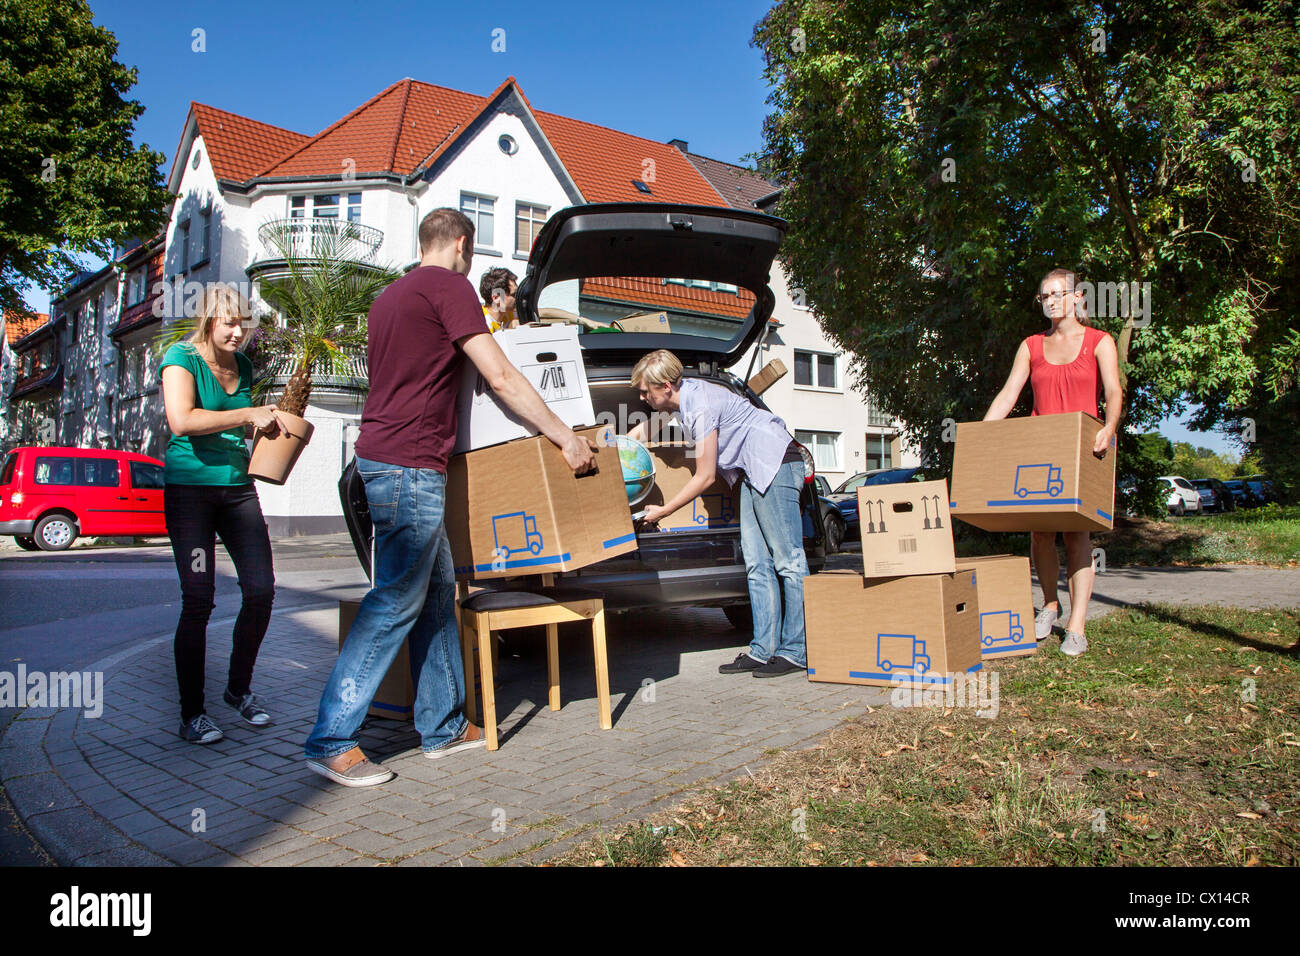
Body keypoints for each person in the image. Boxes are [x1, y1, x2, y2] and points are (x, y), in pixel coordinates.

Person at [304, 208, 597, 787]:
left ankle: (440, 726)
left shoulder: (388, 298)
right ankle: (331, 739)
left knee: (437, 593)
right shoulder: (451, 287)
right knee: (394, 599)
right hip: (410, 465)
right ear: (462, 244)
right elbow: (502, 377)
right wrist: (565, 437)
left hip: (382, 456)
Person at [628, 349, 808, 677]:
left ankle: (796, 650)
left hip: (777, 463)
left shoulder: (700, 406)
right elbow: (645, 432)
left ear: (665, 386)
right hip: (752, 471)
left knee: (789, 561)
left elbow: (706, 475)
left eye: (645, 391)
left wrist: (663, 511)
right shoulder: (681, 400)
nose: (642, 397)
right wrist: (612, 447)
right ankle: (763, 649)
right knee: (757, 564)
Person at [159, 284, 284, 744]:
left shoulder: (244, 365)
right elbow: (183, 419)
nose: (238, 333)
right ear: (209, 321)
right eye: (229, 323)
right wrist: (248, 414)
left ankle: (238, 689)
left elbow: (242, 429)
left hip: (238, 492)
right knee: (199, 601)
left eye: (244, 325)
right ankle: (192, 714)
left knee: (262, 590)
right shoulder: (181, 358)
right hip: (191, 493)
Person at [983, 268, 1123, 656]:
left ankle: (1077, 626)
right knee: (1041, 534)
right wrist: (983, 435)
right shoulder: (1031, 345)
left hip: (1082, 447)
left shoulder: (1100, 341)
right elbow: (1009, 394)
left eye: (1058, 294)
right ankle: (1049, 605)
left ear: (1078, 297)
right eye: (1044, 296)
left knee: (1077, 536)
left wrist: (1109, 428)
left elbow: (1113, 391)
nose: (1051, 302)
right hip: (1039, 450)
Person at [479, 267, 518, 332]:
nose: (517, 298)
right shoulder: (483, 324)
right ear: (496, 298)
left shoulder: (509, 313)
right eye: (514, 294)